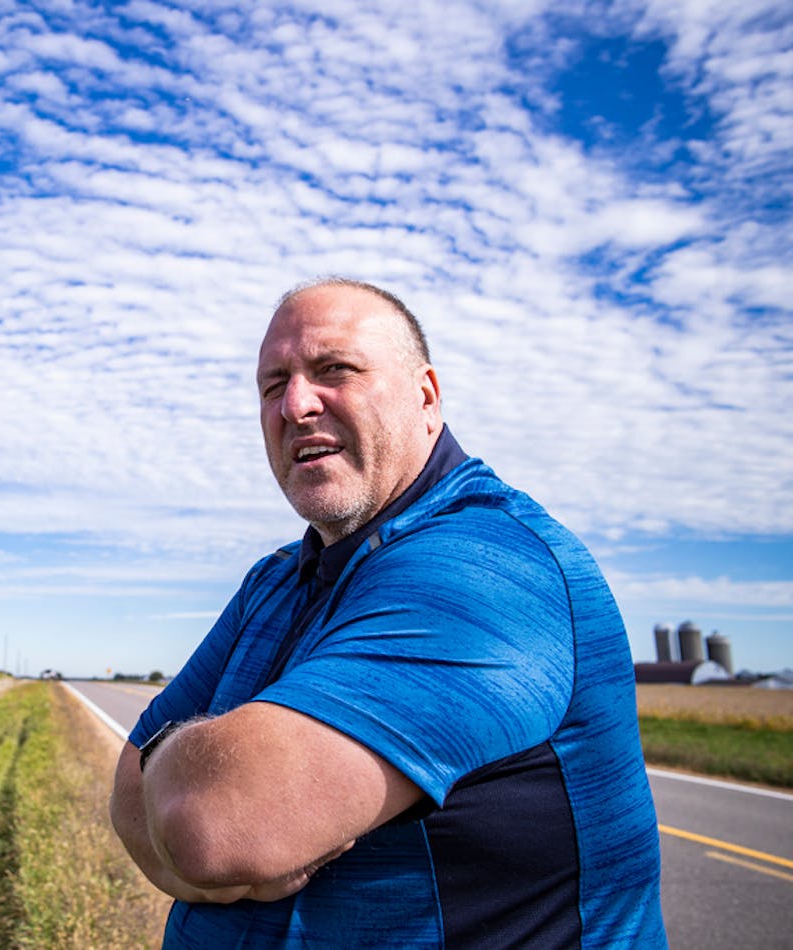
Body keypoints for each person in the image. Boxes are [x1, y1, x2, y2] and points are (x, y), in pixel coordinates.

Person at [110, 278, 665, 947]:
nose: (295, 404)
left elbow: (213, 821)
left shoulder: (490, 565)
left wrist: (173, 773)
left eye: (334, 370)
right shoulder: (280, 578)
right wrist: (183, 799)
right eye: (272, 384)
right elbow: (129, 794)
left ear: (425, 396)